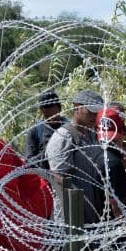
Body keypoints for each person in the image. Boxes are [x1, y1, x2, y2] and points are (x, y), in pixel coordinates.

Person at [45, 89, 107, 225]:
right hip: (71, 216)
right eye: (90, 111)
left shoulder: (91, 135)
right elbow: (60, 179)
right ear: (76, 107)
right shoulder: (64, 137)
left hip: (91, 212)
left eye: (97, 112)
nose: (94, 115)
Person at [94, 106, 126, 215]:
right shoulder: (113, 162)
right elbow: (116, 205)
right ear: (121, 133)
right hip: (111, 225)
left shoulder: (92, 154)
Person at [25, 90, 68, 171]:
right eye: (47, 116)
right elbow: (29, 162)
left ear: (59, 108)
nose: (51, 118)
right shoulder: (35, 131)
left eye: (54, 115)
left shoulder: (70, 128)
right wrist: (48, 153)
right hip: (45, 178)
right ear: (41, 110)